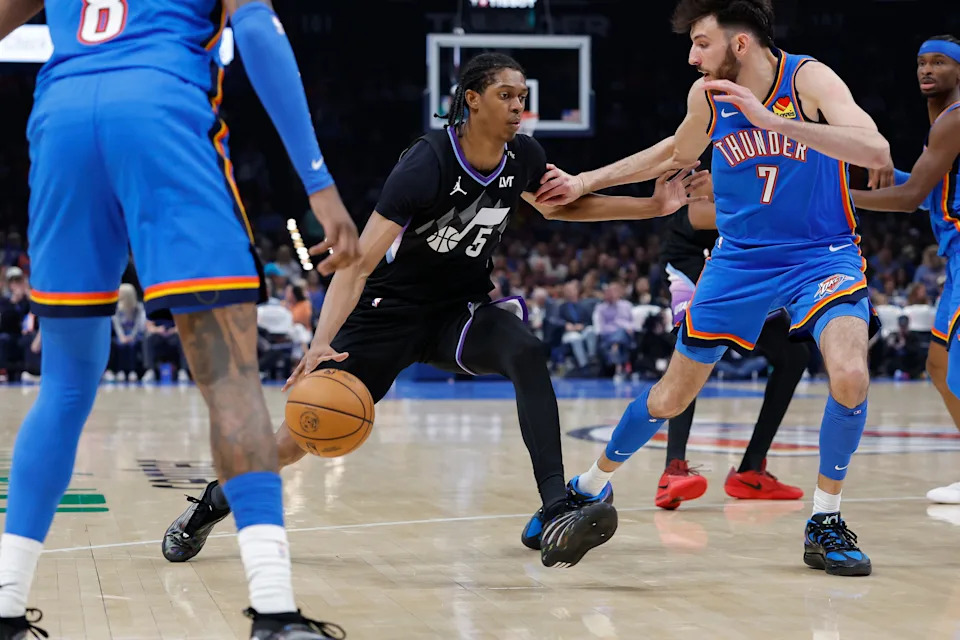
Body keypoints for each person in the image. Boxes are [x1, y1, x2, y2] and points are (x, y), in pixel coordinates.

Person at [160, 52, 708, 571]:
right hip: (387, 313)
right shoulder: (427, 163)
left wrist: (653, 206)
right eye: (506, 95)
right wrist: (320, 342)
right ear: (471, 99)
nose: (519, 105)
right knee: (298, 437)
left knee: (526, 350)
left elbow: (561, 206)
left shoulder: (525, 156)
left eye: (523, 96)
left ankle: (555, 507)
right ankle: (212, 503)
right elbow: (357, 265)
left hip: (459, 313)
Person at [0, 0, 361, 638]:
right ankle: (274, 613)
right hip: (159, 111)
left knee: (62, 388)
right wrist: (319, 182)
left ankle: (4, 606)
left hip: (61, 119)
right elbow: (257, 29)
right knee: (229, 382)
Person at [532, 0, 890, 577]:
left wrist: (771, 121)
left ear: (740, 44)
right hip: (740, 260)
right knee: (671, 396)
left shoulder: (808, 78)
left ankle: (826, 520)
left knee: (850, 372)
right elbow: (675, 152)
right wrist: (585, 179)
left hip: (821, 254)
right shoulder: (707, 97)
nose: (693, 56)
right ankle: (586, 487)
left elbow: (875, 150)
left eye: (702, 43)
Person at [849, 35, 960, 504]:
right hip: (954, 261)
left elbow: (912, 196)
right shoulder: (941, 125)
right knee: (937, 366)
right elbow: (926, 192)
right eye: (920, 62)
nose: (926, 69)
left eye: (939, 61)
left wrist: (840, 198)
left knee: (952, 371)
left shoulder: (954, 122)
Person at [655, 183, 806, 509]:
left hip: (737, 271)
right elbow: (711, 214)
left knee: (794, 354)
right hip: (694, 272)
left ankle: (751, 469)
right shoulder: (709, 171)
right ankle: (673, 470)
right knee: (691, 358)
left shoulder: (760, 167)